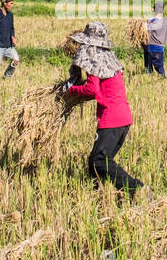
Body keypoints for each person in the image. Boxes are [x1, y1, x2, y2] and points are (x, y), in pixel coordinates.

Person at [60, 22, 144, 197]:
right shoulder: (108, 57)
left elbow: (92, 90)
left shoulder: (92, 58)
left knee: (99, 160)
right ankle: (95, 194)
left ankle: (137, 189)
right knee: (95, 162)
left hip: (111, 119)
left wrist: (70, 90)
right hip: (122, 117)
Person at [143, 0, 167, 77]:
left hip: (151, 45)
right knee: (159, 65)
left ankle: (155, 78)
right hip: (160, 46)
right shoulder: (165, 21)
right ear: (163, 10)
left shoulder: (152, 21)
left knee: (149, 67)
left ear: (153, 9)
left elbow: (145, 27)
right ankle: (162, 78)